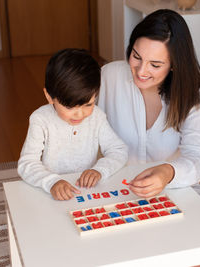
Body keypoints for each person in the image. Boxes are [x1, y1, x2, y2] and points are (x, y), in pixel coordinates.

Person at [98, 9, 200, 199]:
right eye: (136, 56)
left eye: (155, 65)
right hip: (117, 190)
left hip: (176, 192)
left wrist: (168, 173)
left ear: (174, 65)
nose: (141, 71)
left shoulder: (194, 97)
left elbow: (199, 158)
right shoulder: (109, 76)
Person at [18, 48, 128, 201]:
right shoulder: (40, 119)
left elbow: (119, 150)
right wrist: (52, 182)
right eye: (70, 107)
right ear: (49, 97)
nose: (80, 114)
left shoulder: (97, 116)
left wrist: (100, 170)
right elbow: (27, 164)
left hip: (85, 191)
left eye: (88, 104)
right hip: (50, 191)